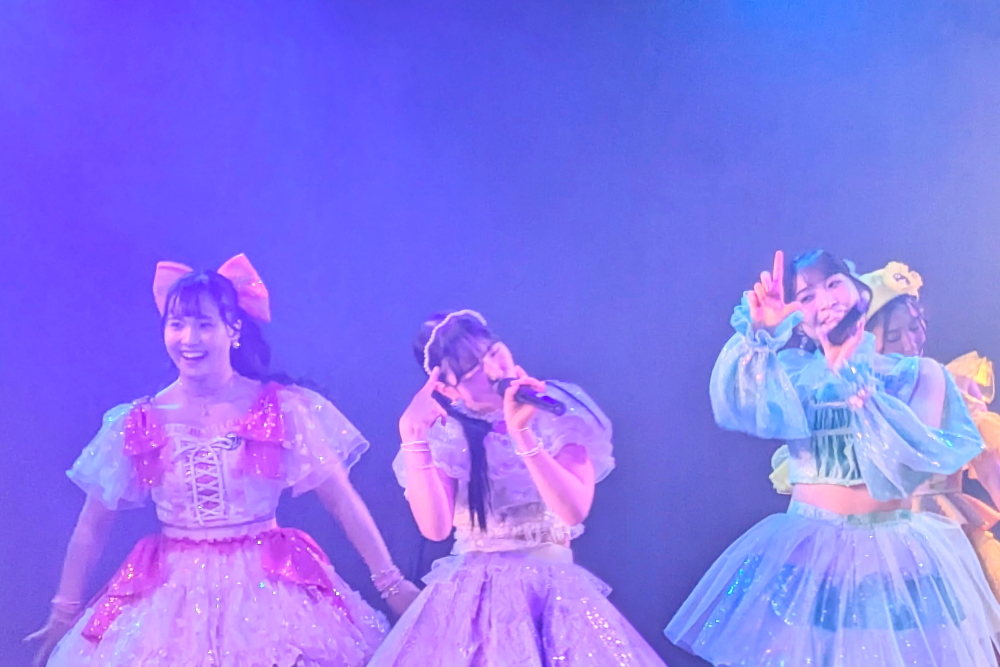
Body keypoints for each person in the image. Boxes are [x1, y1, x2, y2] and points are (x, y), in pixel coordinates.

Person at [25, 254, 417, 667]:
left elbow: (340, 499)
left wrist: (392, 584)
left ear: (233, 330)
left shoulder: (281, 407)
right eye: (177, 324)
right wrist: (63, 612)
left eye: (204, 324)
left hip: (269, 591)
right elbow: (93, 523)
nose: (188, 338)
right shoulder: (139, 420)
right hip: (171, 600)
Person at [666, 250, 1000, 666]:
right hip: (810, 553)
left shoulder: (921, 374)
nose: (824, 300)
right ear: (798, 318)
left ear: (859, 290)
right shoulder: (793, 374)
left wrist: (857, 383)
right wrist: (758, 336)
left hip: (894, 558)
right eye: (806, 296)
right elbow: (738, 406)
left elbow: (907, 467)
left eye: (833, 283)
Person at [366, 310, 667, 666]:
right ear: (445, 389)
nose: (494, 371)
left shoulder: (555, 407)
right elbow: (434, 528)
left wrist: (522, 434)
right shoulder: (448, 432)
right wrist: (414, 439)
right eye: (473, 372)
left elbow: (573, 509)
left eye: (494, 353)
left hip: (552, 593)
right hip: (471, 607)